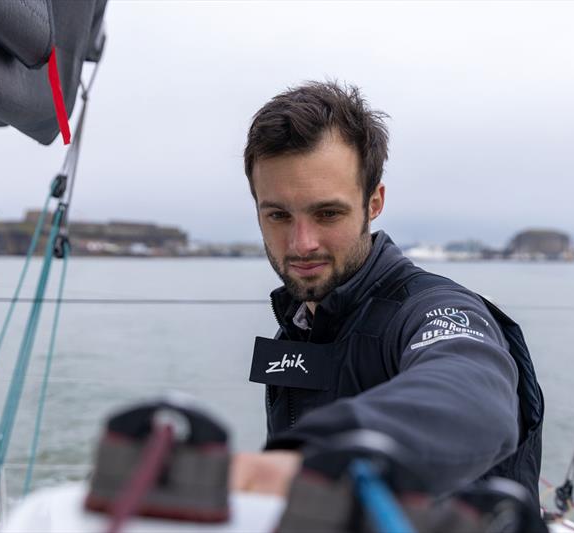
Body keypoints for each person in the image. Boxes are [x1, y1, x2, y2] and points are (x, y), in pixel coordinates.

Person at [230, 81, 543, 503]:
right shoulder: (302, 319)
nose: (301, 243)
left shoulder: (435, 309)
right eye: (278, 215)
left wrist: (311, 460)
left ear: (373, 203)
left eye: (328, 213)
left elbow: (473, 397)